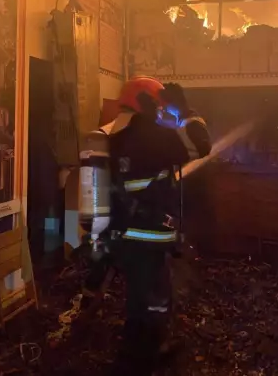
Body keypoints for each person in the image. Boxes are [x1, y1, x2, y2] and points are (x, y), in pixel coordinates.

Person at [78, 76, 211, 375]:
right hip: (148, 235)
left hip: (124, 235)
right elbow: (201, 142)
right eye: (160, 106)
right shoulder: (153, 136)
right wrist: (186, 111)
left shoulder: (113, 137)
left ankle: (149, 350)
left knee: (143, 297)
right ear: (147, 103)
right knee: (151, 301)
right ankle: (137, 362)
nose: (163, 113)